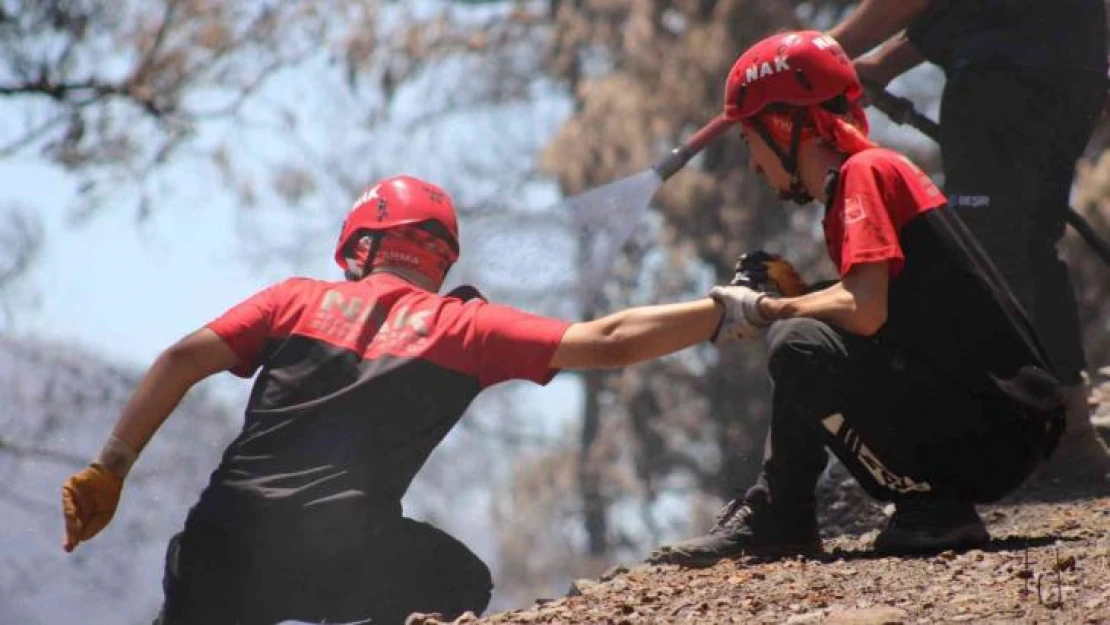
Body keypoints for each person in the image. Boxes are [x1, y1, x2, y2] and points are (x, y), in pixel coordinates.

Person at [60, 174, 759, 624]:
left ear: (361, 246)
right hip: (342, 553)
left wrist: (110, 467)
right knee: (454, 577)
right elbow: (608, 339)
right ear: (440, 256)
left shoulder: (294, 300)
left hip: (227, 539)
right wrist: (726, 307)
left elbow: (179, 358)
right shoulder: (466, 326)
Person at [648, 30, 1066, 567]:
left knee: (796, 341)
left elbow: (864, 312)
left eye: (751, 141)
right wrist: (804, 296)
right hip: (1008, 421)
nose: (754, 164)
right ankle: (782, 513)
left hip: (993, 434)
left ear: (782, 125)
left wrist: (767, 308)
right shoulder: (875, 174)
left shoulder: (864, 174)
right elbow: (892, 314)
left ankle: (929, 506)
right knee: (806, 332)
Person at [827, 0, 1110, 484]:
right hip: (1068, 67)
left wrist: (814, 57)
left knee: (988, 257)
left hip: (1005, 77)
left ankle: (1015, 443)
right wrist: (884, 63)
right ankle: (1071, 433)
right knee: (1031, 248)